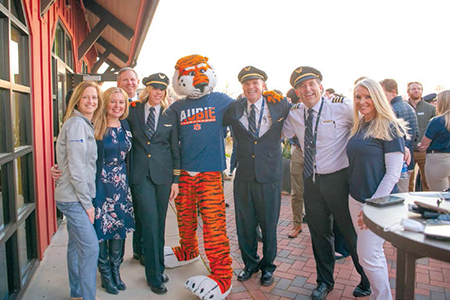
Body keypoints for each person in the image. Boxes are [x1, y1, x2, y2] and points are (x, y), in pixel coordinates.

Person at [283, 67, 371, 300]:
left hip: (338, 181)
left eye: (311, 83)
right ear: (297, 92)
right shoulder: (294, 114)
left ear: (320, 87)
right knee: (319, 234)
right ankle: (324, 282)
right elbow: (281, 131)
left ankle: (366, 278)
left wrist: (398, 145)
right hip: (311, 181)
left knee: (350, 233)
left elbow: (372, 123)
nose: (307, 89)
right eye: (302, 86)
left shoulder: (342, 109)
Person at [224, 66, 290, 286]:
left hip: (270, 176)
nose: (251, 87)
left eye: (255, 82)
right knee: (244, 224)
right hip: (244, 176)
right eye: (246, 83)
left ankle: (268, 267)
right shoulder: (234, 108)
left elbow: (303, 114)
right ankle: (250, 264)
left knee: (269, 224)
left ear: (263, 85)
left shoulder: (279, 104)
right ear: (242, 87)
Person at [347, 78, 407, 300]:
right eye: (358, 97)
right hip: (355, 198)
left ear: (378, 97)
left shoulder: (390, 126)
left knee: (368, 256)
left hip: (376, 203)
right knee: (372, 256)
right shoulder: (360, 124)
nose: (362, 102)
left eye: (367, 96)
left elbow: (393, 173)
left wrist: (371, 206)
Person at [126, 73, 180, 295]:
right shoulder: (133, 111)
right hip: (140, 176)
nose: (158, 92)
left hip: (163, 177)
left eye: (162, 89)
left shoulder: (169, 115)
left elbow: (175, 149)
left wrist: (175, 180)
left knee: (159, 224)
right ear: (147, 89)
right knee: (148, 222)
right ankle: (154, 276)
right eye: (154, 88)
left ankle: (157, 264)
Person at [54, 81, 103, 300]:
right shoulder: (77, 125)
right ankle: (86, 296)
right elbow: (76, 169)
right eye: (86, 97)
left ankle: (76, 293)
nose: (91, 101)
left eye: (94, 97)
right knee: (91, 248)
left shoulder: (83, 123)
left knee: (75, 246)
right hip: (74, 199)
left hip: (74, 196)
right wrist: (87, 204)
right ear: (77, 100)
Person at [92, 87, 135, 294]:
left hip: (121, 186)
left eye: (121, 102)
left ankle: (116, 271)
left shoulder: (125, 125)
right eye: (113, 102)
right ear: (105, 103)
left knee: (119, 228)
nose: (117, 106)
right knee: (102, 229)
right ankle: (105, 275)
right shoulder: (95, 125)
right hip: (100, 184)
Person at [117, 67, 144, 263]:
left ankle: (140, 250)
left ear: (138, 81)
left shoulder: (143, 105)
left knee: (142, 211)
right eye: (125, 80)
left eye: (132, 80)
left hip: (140, 167)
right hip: (116, 169)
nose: (129, 83)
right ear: (118, 83)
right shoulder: (111, 105)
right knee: (119, 212)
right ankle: (115, 256)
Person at [380, 78, 419, 192]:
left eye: (383, 93)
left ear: (393, 92)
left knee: (399, 197)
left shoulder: (391, 109)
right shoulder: (409, 107)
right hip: (408, 161)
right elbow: (415, 134)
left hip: (398, 163)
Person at [418, 90, 450, 191]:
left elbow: (424, 145)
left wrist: (419, 145)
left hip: (437, 160)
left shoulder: (437, 121)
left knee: (440, 197)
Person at [407, 81, 436, 191]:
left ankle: (428, 205)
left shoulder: (430, 109)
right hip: (408, 151)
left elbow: (435, 130)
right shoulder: (403, 107)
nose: (416, 91)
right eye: (413, 88)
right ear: (408, 91)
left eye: (419, 89)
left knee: (427, 181)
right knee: (408, 182)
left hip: (425, 151)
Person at [285, 88, 304, 239]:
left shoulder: (326, 109)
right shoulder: (294, 111)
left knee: (317, 192)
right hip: (298, 152)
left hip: (319, 155)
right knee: (296, 192)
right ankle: (297, 224)